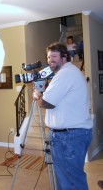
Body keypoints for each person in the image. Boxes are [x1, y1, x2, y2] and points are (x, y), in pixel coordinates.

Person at [32, 42, 93, 190]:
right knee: (69, 178)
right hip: (72, 135)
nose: (49, 60)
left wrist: (38, 95)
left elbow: (47, 103)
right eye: (48, 57)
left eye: (54, 56)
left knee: (70, 181)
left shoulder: (66, 73)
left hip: (68, 137)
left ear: (64, 57)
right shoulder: (68, 73)